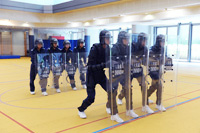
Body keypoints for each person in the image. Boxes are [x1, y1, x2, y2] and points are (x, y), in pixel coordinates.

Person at [78, 30, 123, 123]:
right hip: (91, 76)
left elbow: (110, 60)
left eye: (109, 38)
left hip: (100, 75)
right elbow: (90, 66)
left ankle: (111, 109)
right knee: (91, 98)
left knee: (111, 91)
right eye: (107, 38)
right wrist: (105, 64)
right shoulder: (95, 48)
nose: (109, 40)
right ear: (102, 39)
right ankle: (81, 109)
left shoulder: (108, 49)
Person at [117, 33, 154, 114]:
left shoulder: (145, 49)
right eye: (143, 40)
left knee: (144, 85)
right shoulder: (131, 46)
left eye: (146, 41)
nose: (144, 42)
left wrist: (149, 62)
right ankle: (120, 97)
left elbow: (145, 61)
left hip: (137, 69)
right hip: (128, 70)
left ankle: (145, 105)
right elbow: (127, 58)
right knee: (127, 87)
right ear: (140, 40)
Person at [110, 31, 138, 120]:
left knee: (128, 89)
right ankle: (112, 110)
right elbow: (113, 59)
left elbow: (131, 57)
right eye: (125, 39)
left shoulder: (129, 47)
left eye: (128, 39)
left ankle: (129, 109)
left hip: (126, 71)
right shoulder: (114, 47)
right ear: (121, 39)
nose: (127, 41)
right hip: (117, 72)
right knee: (113, 91)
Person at [148, 34, 166, 111]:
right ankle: (158, 104)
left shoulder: (163, 49)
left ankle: (145, 96)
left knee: (154, 86)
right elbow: (151, 62)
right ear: (158, 41)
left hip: (159, 70)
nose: (163, 43)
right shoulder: (152, 50)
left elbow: (164, 58)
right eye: (162, 41)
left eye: (164, 41)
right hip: (153, 70)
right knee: (159, 86)